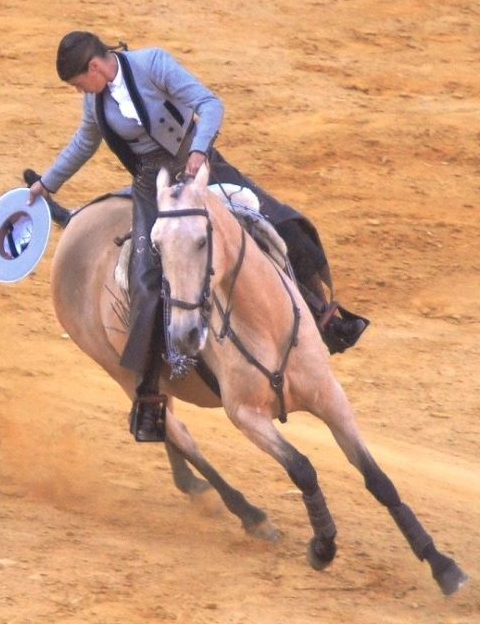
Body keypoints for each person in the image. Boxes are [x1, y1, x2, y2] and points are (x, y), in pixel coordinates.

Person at [26, 31, 368, 443]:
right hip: (153, 187)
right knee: (145, 282)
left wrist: (199, 151)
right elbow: (84, 143)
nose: (80, 91)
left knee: (279, 222)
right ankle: (150, 394)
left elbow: (209, 104)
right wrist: (47, 184)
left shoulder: (152, 65)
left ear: (95, 67)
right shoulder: (95, 103)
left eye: (80, 83)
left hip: (199, 164)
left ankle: (325, 316)